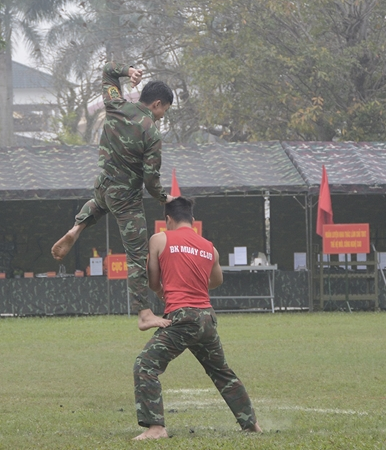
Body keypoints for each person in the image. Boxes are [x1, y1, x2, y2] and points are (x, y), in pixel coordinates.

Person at [51, 61, 174, 331]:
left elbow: (107, 71)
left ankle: (77, 226)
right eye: (164, 110)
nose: (163, 115)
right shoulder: (150, 131)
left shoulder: (116, 104)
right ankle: (144, 314)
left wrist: (128, 71)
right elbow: (152, 179)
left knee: (100, 203)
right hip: (127, 199)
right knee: (137, 254)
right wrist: (165, 199)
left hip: (102, 186)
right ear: (156, 104)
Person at [132, 196, 262, 440]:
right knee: (222, 372)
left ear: (168, 219)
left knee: (145, 365)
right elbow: (216, 281)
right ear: (192, 220)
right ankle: (251, 424)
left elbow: (152, 281)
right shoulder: (208, 247)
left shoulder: (159, 239)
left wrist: (166, 287)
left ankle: (156, 427)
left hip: (183, 318)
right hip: (207, 319)